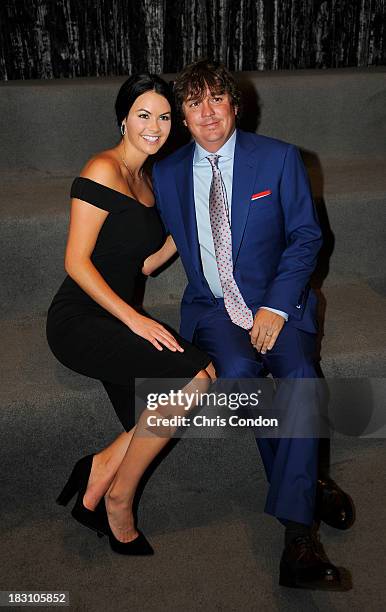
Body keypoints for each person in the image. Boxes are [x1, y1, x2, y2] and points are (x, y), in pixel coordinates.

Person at [144, 60, 354, 589]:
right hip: (215, 307)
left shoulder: (280, 159)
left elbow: (307, 237)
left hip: (277, 303)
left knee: (300, 378)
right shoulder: (166, 174)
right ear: (182, 119)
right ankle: (310, 486)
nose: (207, 112)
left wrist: (277, 305)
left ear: (236, 106)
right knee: (238, 374)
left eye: (217, 99)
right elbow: (147, 237)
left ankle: (297, 538)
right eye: (194, 103)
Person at [46, 73, 215, 556]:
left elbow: (143, 263)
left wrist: (190, 227)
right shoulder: (103, 168)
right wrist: (134, 319)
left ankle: (98, 471)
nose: (155, 126)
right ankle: (117, 497)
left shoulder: (149, 179)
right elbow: (75, 262)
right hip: (80, 319)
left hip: (115, 315)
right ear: (123, 118)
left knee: (197, 376)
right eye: (144, 114)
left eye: (164, 117)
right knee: (197, 380)